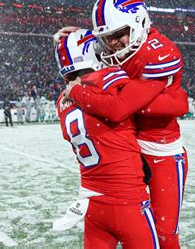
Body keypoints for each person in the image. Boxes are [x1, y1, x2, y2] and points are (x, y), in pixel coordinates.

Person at [57, 0, 189, 247]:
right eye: (106, 37)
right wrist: (79, 36)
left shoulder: (159, 54)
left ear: (139, 22)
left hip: (161, 150)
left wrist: (78, 91)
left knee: (164, 234)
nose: (113, 43)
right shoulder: (122, 46)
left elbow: (121, 108)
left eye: (117, 35)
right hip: (130, 149)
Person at [55, 29, 168, 248]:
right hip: (127, 200)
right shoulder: (110, 80)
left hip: (93, 202)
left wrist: (67, 45)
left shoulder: (61, 100)